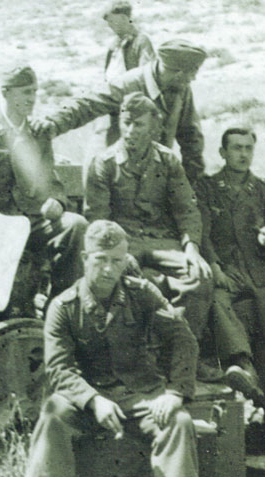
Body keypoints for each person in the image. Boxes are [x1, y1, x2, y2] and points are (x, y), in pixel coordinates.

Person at [21, 220, 212, 477]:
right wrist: (93, 400)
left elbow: (183, 340)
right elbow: (59, 369)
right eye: (101, 260)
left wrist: (175, 393)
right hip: (87, 400)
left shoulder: (143, 294)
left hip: (141, 396)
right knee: (53, 412)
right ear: (85, 258)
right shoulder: (63, 307)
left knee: (178, 421)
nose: (109, 269)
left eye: (117, 260)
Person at [84, 92, 216, 380]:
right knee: (130, 282)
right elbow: (98, 220)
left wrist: (191, 248)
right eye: (126, 122)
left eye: (138, 124)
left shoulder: (167, 161)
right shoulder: (104, 163)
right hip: (122, 243)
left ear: (155, 127)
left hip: (161, 241)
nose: (130, 130)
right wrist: (118, 254)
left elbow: (186, 208)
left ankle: (181, 356)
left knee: (199, 276)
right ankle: (142, 362)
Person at [0, 64, 87, 312]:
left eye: (35, 91)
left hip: (32, 221)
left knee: (76, 225)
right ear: (6, 93)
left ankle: (61, 309)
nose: (33, 99)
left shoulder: (38, 134)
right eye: (26, 92)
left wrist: (57, 201)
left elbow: (51, 182)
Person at [196, 127, 265, 452]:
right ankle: (242, 364)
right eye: (236, 148)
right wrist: (215, 267)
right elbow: (202, 233)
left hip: (260, 273)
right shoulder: (207, 188)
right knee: (218, 300)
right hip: (227, 270)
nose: (243, 154)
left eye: (248, 148)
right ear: (223, 152)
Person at [34, 40, 207, 185]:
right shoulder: (127, 84)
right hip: (112, 175)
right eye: (191, 73)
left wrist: (193, 181)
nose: (193, 78)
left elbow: (191, 136)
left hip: (151, 175)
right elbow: (87, 104)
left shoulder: (181, 89)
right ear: (178, 73)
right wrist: (55, 121)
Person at [101, 1, 155, 82]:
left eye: (112, 21)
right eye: (108, 22)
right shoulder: (114, 43)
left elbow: (146, 73)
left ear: (124, 18)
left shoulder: (141, 41)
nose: (109, 25)